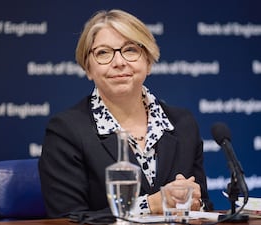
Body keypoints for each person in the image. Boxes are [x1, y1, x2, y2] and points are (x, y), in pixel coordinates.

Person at [38, 9, 213, 218]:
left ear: (148, 62)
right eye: (103, 53)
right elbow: (67, 219)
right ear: (88, 68)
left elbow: (204, 206)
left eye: (130, 50)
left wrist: (195, 203)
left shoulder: (182, 124)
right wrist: (149, 205)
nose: (119, 62)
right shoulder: (66, 131)